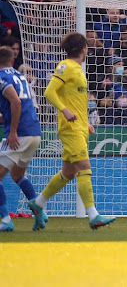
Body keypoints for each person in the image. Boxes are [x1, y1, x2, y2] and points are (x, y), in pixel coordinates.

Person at [28, 32, 114, 231]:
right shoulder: (65, 67)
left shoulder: (76, 69)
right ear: (83, 48)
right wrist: (65, 111)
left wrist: (86, 123)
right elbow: (49, 92)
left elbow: (76, 100)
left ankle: (38, 203)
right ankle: (93, 215)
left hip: (80, 126)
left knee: (68, 172)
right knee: (85, 167)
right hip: (70, 128)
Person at [0, 45, 42, 232]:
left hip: (21, 133)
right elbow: (22, 103)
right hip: (34, 131)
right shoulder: (20, 76)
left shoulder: (2, 77)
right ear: (12, 60)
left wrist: (13, 131)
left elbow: (15, 101)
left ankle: (6, 220)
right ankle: (40, 214)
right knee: (17, 174)